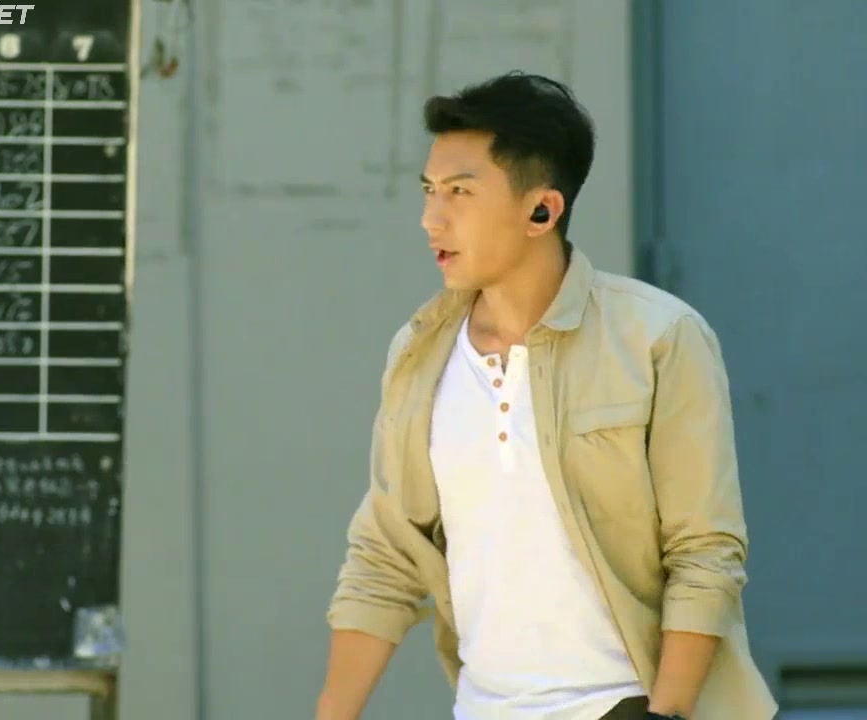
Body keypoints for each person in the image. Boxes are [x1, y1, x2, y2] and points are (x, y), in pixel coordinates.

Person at [316, 72, 776, 720]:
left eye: (459, 192)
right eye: (429, 191)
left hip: (628, 705)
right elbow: (385, 555)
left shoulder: (658, 337)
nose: (431, 218)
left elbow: (704, 553)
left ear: (542, 210)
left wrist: (665, 713)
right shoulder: (419, 354)